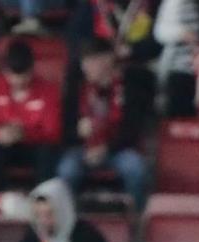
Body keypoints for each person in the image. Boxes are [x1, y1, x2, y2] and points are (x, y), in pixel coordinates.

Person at [57, 44, 151, 210]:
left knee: (136, 168)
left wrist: (106, 149)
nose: (86, 68)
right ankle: (68, 218)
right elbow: (65, 129)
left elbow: (132, 130)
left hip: (118, 149)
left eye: (91, 62)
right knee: (67, 170)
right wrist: (77, 133)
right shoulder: (76, 88)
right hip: (83, 149)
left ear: (107, 61)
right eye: (84, 63)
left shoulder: (129, 87)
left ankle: (137, 219)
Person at [0, 40, 63, 191]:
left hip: (35, 146)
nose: (18, 81)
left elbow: (53, 132)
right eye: (13, 76)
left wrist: (24, 134)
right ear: (5, 71)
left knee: (47, 153)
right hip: (4, 145)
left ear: (31, 70)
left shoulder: (48, 90)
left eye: (23, 75)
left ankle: (43, 201)